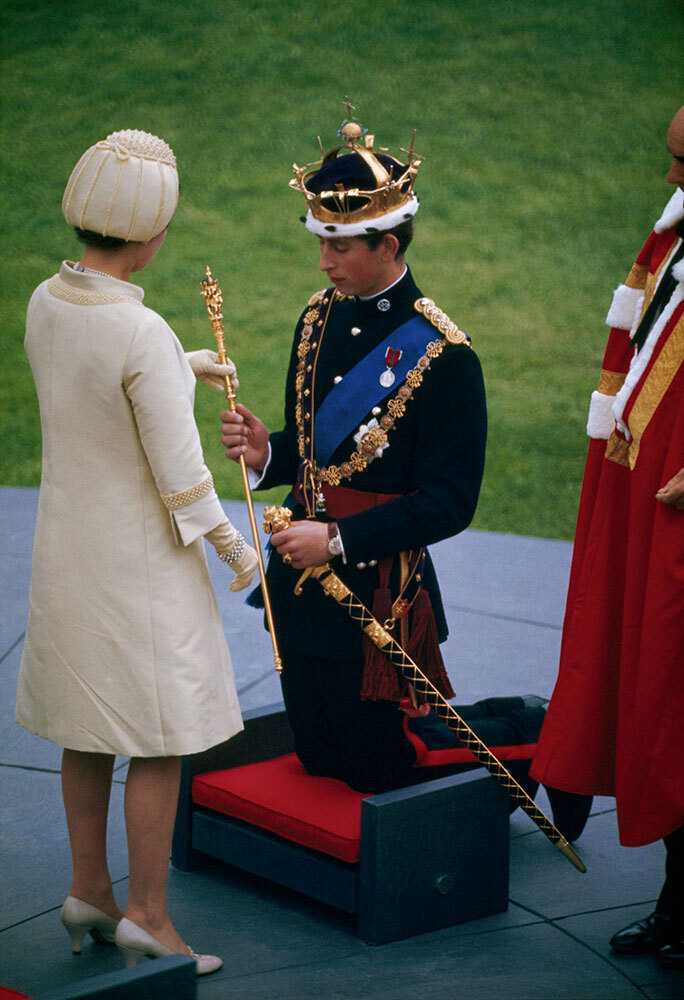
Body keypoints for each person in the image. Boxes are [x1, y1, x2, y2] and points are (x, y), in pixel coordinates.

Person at [221, 110, 589, 839]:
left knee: (381, 765)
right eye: (320, 241)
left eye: (340, 246)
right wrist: (271, 456)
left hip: (380, 592)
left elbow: (449, 502)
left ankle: (535, 739)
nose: (324, 261)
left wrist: (338, 540)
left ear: (388, 244)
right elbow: (319, 446)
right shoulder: (318, 318)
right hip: (298, 583)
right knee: (322, 758)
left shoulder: (448, 357)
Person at [14, 129, 257, 976]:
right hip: (141, 568)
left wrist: (177, 365)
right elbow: (182, 474)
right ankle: (149, 915)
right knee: (160, 736)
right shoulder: (143, 330)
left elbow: (93, 390)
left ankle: (89, 890)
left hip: (68, 556)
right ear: (152, 232)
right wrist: (237, 545)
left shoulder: (47, 300)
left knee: (88, 729)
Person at [531, 105, 684, 968]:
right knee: (654, 702)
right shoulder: (673, 241)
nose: (671, 180)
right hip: (648, 511)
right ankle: (679, 900)